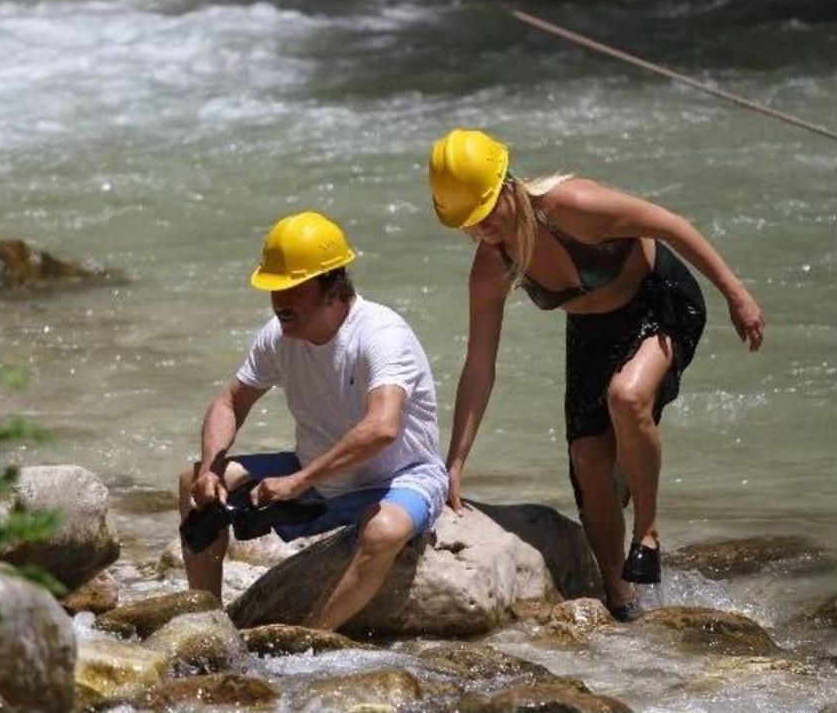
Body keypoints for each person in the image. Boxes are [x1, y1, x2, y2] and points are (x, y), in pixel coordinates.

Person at [427, 129, 764, 621]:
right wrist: (455, 461)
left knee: (627, 397)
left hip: (659, 300)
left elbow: (671, 225)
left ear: (507, 186)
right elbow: (479, 366)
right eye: (467, 225)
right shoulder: (490, 266)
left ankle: (647, 530)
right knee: (587, 458)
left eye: (484, 215)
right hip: (592, 333)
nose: (481, 232)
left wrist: (737, 295)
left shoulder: (573, 205)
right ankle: (622, 599)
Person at [179, 211, 448, 631]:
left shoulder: (381, 334)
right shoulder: (277, 335)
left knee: (383, 532)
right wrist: (213, 467)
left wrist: (297, 481)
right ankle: (209, 621)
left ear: (334, 287)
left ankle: (310, 636)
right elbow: (230, 401)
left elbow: (382, 427)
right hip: (316, 473)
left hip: (399, 475)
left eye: (292, 287)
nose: (279, 301)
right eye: (274, 287)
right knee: (193, 481)